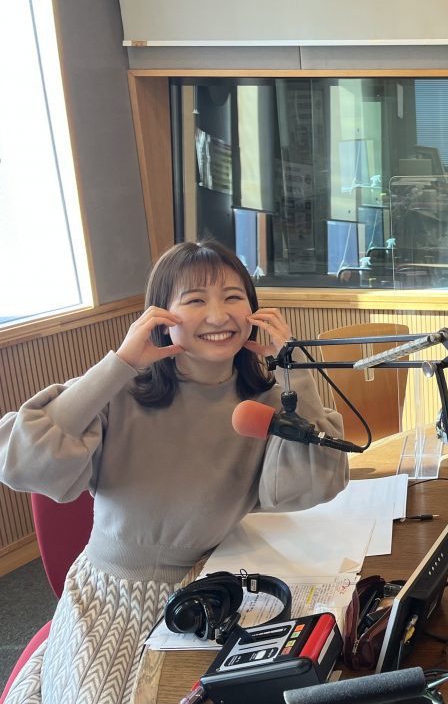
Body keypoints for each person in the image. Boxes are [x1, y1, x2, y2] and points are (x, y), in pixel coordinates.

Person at [0, 240, 350, 704]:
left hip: (218, 588)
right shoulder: (122, 390)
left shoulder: (265, 401)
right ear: (161, 317)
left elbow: (313, 485)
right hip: (112, 600)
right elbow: (21, 463)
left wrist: (293, 369)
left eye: (232, 297)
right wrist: (120, 364)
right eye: (195, 300)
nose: (218, 315)